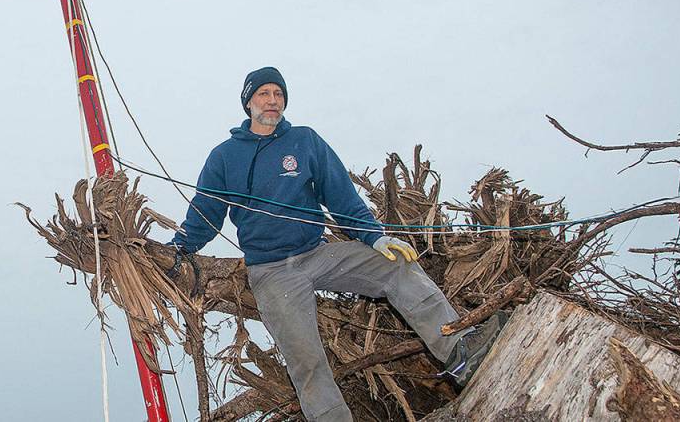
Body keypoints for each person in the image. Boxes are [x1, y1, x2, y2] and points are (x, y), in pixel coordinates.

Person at [170, 66, 502, 422]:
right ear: (248, 101)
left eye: (278, 94)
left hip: (318, 253)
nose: (272, 100)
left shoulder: (305, 140)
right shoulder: (224, 156)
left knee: (396, 265)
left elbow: (342, 198)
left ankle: (459, 351)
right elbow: (205, 212)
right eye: (264, 94)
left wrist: (376, 237)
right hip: (271, 272)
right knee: (307, 361)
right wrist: (180, 248)